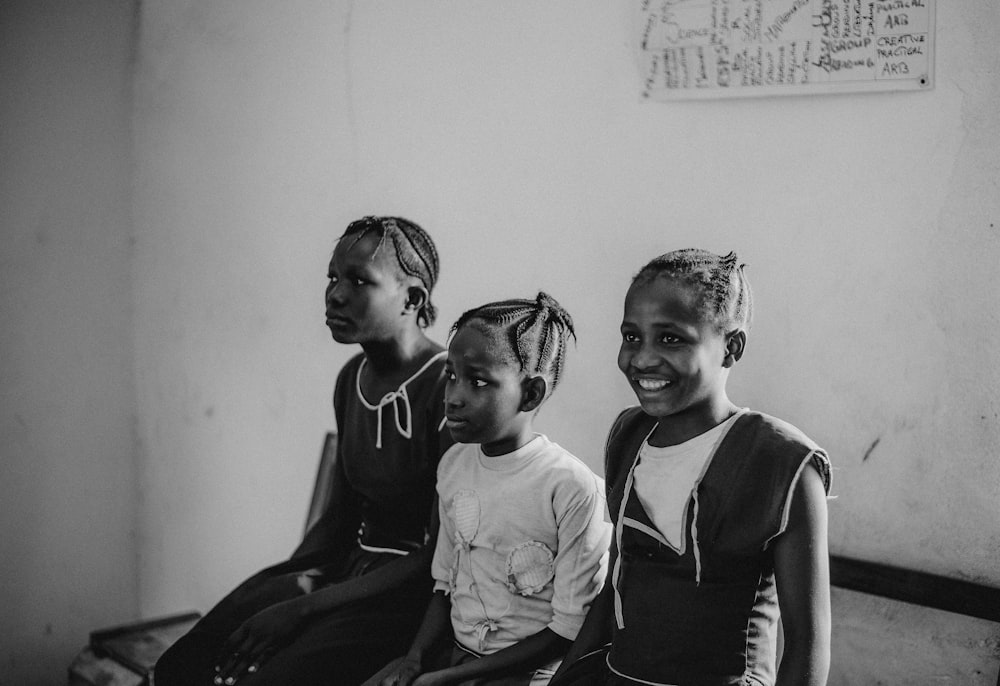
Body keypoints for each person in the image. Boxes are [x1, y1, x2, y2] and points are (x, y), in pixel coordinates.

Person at [155, 216, 453, 686]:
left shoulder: (446, 388)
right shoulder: (351, 380)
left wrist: (305, 608)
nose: (335, 294)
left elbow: (440, 556)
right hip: (344, 573)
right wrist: (286, 592)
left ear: (412, 298)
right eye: (333, 277)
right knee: (185, 664)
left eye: (359, 280)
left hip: (403, 596)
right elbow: (338, 517)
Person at [551, 249, 832, 686]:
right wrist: (566, 676)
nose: (641, 358)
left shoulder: (782, 463)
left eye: (670, 339)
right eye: (631, 336)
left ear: (731, 347)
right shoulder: (628, 436)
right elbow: (616, 585)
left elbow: (808, 647)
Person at [369, 293, 612, 686]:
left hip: (529, 672)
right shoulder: (454, 466)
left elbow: (567, 629)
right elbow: (445, 584)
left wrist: (450, 677)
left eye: (478, 381)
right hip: (457, 660)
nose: (454, 396)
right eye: (451, 375)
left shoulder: (569, 487)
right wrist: (414, 659)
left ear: (530, 393)